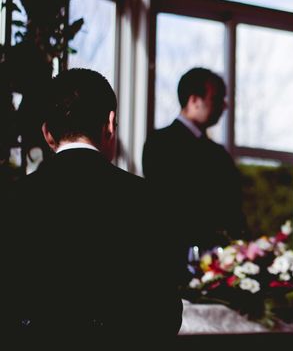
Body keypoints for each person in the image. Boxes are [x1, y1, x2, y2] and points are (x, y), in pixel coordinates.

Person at [0, 68, 182, 349]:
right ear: (110, 123)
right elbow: (165, 313)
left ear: (47, 133)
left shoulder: (13, 198)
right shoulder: (149, 198)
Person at [142, 67, 247, 285]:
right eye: (217, 98)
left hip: (218, 266)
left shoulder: (217, 153)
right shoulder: (160, 144)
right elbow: (166, 205)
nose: (224, 106)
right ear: (194, 100)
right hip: (175, 264)